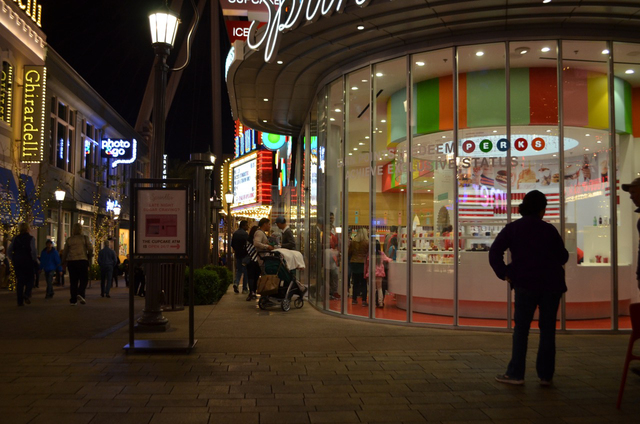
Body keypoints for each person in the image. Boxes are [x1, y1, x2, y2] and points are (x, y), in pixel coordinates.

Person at [489, 190, 568, 386]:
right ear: (542, 209)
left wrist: (505, 272)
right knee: (548, 329)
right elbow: (563, 256)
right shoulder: (549, 230)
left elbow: (494, 252)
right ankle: (545, 375)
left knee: (522, 329)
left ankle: (516, 373)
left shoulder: (513, 228)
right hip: (551, 284)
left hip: (525, 283)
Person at [61, 223, 93, 305]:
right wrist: (89, 256)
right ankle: (80, 293)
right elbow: (90, 248)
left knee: (73, 281)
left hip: (72, 262)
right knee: (84, 279)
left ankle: (73, 300)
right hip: (82, 260)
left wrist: (63, 261)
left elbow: (65, 252)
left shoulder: (69, 239)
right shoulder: (85, 238)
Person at [7, 223, 37, 306]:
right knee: (30, 279)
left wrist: (13, 259)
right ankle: (27, 294)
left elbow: (9, 251)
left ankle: (19, 301)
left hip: (18, 262)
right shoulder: (31, 239)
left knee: (20, 281)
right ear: (28, 229)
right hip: (28, 262)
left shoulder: (16, 238)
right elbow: (33, 251)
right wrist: (34, 260)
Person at [365, 239, 392, 308]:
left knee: (372, 289)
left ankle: (372, 303)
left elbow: (367, 264)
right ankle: (380, 303)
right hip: (379, 273)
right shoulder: (381, 254)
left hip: (371, 273)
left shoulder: (369, 254)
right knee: (379, 288)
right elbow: (388, 260)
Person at [348, 227, 369, 306]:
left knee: (355, 282)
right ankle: (364, 300)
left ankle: (354, 299)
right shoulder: (367, 242)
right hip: (363, 263)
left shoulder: (353, 242)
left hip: (354, 263)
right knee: (364, 283)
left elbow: (349, 252)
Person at [231, 220, 250, 294]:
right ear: (243, 226)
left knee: (239, 270)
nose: (247, 227)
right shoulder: (245, 234)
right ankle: (244, 288)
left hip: (238, 254)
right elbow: (248, 245)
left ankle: (236, 282)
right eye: (246, 225)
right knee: (245, 271)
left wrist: (236, 250)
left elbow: (232, 244)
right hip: (245, 255)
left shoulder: (235, 233)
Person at [245, 225, 261, 300]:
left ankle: (252, 292)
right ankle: (253, 291)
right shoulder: (257, 240)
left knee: (250, 277)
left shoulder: (248, 239)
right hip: (257, 260)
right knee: (256, 277)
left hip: (250, 260)